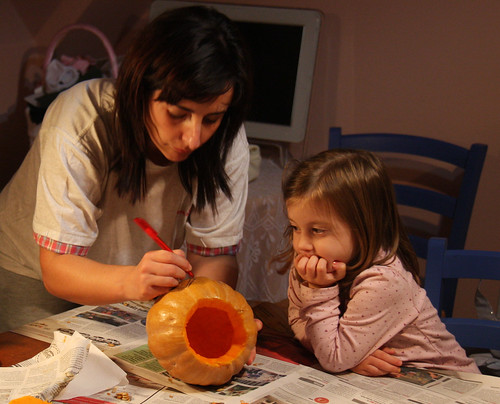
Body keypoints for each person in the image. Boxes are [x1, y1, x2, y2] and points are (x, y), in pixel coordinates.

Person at [0, 6, 254, 333]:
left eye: (211, 118)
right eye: (178, 113)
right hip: (33, 270)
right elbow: (57, 269)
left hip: (131, 279)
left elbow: (215, 256)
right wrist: (132, 281)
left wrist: (209, 314)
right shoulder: (81, 122)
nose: (193, 138)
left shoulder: (226, 140)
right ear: (140, 90)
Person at [275, 149, 479, 375]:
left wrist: (319, 291)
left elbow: (333, 359)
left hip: (444, 383)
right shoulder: (313, 261)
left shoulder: (382, 281)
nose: (302, 244)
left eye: (317, 230)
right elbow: (298, 320)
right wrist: (350, 357)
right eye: (295, 227)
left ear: (363, 227)